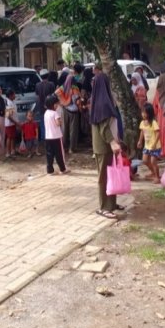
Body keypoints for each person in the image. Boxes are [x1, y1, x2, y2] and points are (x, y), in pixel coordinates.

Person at [90, 62, 123, 219]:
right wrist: (113, 142)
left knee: (111, 174)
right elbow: (104, 127)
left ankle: (112, 204)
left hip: (107, 146)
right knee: (104, 177)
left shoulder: (100, 101)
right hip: (104, 147)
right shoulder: (103, 103)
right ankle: (104, 207)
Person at [56, 64, 83, 154]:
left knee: (64, 130)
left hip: (65, 109)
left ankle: (63, 147)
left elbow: (56, 93)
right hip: (74, 112)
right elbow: (77, 101)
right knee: (73, 131)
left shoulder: (63, 87)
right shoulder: (75, 88)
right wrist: (80, 107)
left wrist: (62, 102)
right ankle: (72, 148)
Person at [44, 94, 68, 175]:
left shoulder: (46, 113)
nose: (57, 105)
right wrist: (60, 121)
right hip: (56, 137)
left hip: (48, 137)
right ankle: (62, 169)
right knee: (59, 154)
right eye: (56, 104)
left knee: (49, 154)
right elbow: (58, 123)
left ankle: (50, 170)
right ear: (53, 105)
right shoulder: (55, 113)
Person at [137, 103, 161, 183]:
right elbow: (142, 132)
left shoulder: (153, 122)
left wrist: (155, 143)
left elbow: (158, 133)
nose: (143, 114)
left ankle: (157, 177)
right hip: (147, 146)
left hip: (155, 146)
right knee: (145, 160)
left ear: (149, 113)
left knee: (153, 161)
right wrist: (140, 141)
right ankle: (153, 172)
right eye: (142, 112)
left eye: (145, 113)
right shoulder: (142, 123)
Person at [152, 72, 165, 158]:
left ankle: (163, 151)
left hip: (160, 116)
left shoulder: (158, 92)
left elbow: (154, 105)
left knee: (163, 133)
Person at [3, 89, 19, 159]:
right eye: (14, 94)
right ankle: (8, 152)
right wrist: (16, 122)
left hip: (12, 123)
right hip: (9, 124)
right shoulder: (8, 103)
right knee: (9, 137)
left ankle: (13, 150)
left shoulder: (12, 102)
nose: (15, 95)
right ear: (10, 95)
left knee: (13, 137)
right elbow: (8, 116)